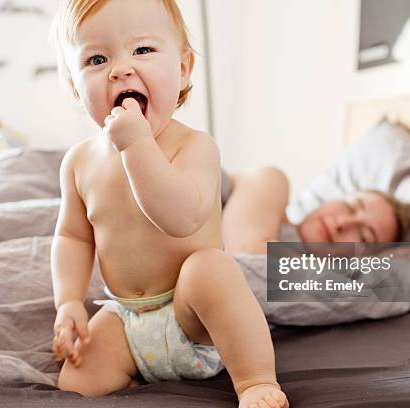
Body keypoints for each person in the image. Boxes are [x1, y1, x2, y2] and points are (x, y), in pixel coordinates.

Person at [48, 1, 288, 407]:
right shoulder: (78, 163)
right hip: (127, 317)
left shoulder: (195, 146)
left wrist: (137, 146)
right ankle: (129, 376)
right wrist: (69, 300)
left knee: (210, 269)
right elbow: (71, 236)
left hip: (194, 317)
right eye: (97, 58)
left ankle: (255, 381)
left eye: (142, 50)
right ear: (75, 86)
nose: (120, 69)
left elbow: (181, 218)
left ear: (182, 69)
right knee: (74, 384)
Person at [222, 167, 410, 254]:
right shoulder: (274, 183)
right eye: (350, 207)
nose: (342, 223)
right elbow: (244, 254)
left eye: (364, 237)